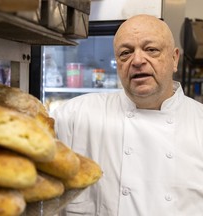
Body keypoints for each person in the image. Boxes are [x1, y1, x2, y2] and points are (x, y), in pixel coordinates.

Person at [52, 14, 203, 216]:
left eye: (151, 50)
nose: (137, 60)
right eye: (125, 53)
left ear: (174, 58)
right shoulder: (77, 115)